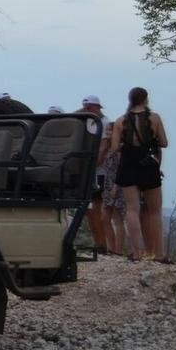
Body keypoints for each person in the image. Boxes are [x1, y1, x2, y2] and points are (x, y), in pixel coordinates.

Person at [110, 87, 170, 262]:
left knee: (132, 209)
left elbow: (114, 148)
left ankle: (136, 253)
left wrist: (125, 146)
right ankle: (159, 254)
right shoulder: (154, 118)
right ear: (145, 99)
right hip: (148, 164)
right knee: (155, 211)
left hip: (128, 164)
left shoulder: (121, 121)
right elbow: (164, 143)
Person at [77, 95, 112, 254]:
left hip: (99, 171)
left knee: (99, 208)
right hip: (90, 169)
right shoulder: (88, 121)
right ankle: (99, 243)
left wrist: (93, 163)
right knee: (91, 210)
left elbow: (104, 147)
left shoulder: (103, 123)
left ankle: (104, 244)